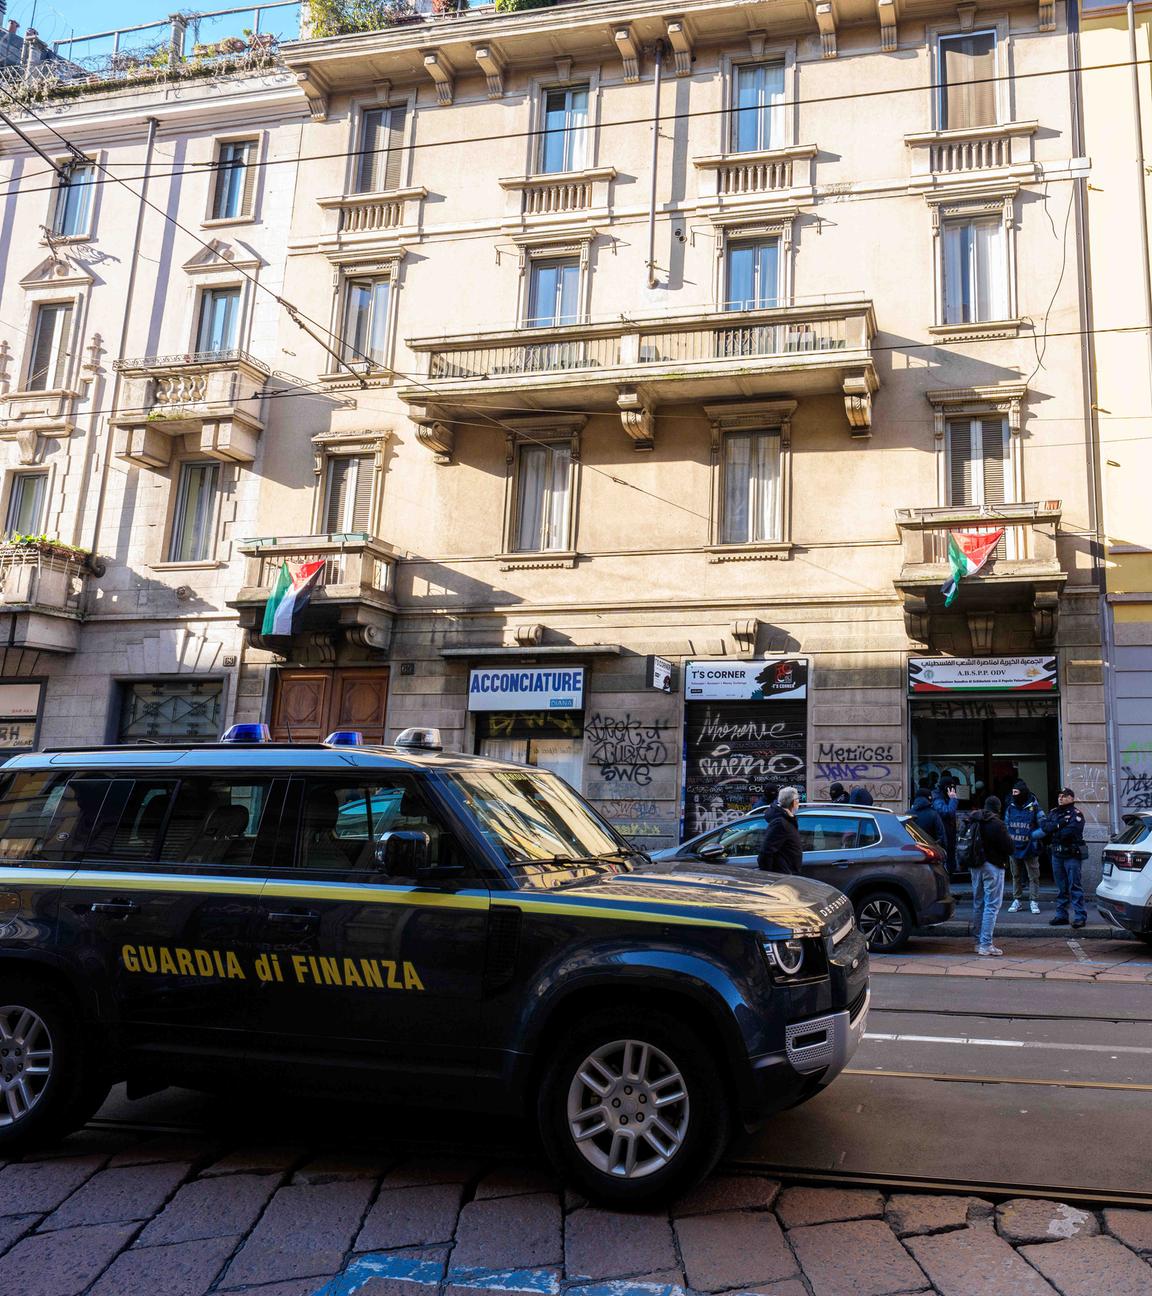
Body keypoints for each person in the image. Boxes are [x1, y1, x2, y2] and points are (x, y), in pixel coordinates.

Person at [963, 794, 1013, 957]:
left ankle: (978, 942)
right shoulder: (997, 824)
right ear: (998, 808)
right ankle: (986, 944)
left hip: (975, 866)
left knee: (978, 903)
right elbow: (1009, 847)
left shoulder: (973, 820)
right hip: (993, 866)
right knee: (992, 905)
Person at [1042, 788, 1087, 929]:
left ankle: (1080, 916)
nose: (1061, 798)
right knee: (1061, 887)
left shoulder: (1076, 814)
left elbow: (1069, 832)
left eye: (1065, 796)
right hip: (1057, 855)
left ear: (1072, 798)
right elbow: (1045, 828)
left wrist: (1055, 828)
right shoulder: (1054, 812)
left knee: (1074, 886)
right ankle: (1061, 915)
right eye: (1060, 796)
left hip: (1071, 855)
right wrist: (1059, 825)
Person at [1004, 779, 1043, 914]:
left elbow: (1044, 826)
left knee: (1033, 876)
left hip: (1030, 848)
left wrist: (1033, 836)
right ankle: (1017, 900)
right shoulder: (1010, 807)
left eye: (1016, 792)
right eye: (1013, 792)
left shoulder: (1035, 807)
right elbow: (1006, 825)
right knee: (1016, 875)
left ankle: (1034, 901)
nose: (1013, 795)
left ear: (1023, 793)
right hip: (1014, 848)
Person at [757, 787, 802, 876]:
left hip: (789, 874)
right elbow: (766, 851)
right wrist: (770, 875)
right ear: (793, 802)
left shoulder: (788, 819)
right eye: (797, 800)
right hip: (782, 876)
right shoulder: (780, 823)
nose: (798, 803)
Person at [933, 777, 960, 872]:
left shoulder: (944, 797)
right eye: (951, 788)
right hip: (943, 834)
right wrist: (953, 799)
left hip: (949, 832)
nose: (953, 790)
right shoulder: (937, 798)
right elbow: (947, 812)